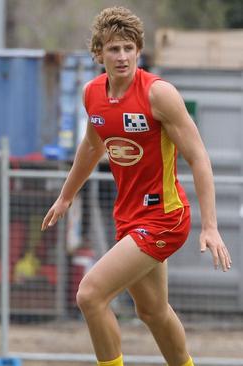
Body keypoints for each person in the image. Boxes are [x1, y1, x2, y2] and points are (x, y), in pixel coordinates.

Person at [41, 6, 231, 366]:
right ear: (99, 53)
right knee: (153, 312)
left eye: (129, 48)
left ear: (139, 51)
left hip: (165, 216)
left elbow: (199, 158)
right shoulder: (92, 93)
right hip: (129, 217)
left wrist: (210, 226)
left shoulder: (159, 94)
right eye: (114, 49)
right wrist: (66, 196)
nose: (123, 56)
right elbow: (91, 146)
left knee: (90, 295)